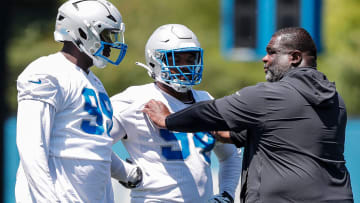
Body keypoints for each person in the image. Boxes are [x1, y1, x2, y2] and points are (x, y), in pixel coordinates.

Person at [143, 27, 354, 202]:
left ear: (295, 58)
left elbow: (211, 112)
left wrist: (167, 120)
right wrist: (215, 131)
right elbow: (262, 134)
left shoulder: (271, 95)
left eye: (272, 52)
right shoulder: (335, 99)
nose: (265, 58)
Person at [15, 0, 142, 202]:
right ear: (83, 31)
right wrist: (47, 199)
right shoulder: (46, 72)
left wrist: (127, 173)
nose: (111, 42)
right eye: (105, 35)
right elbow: (31, 147)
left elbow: (95, 146)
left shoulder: (93, 82)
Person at [110, 24, 242, 202]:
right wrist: (128, 173)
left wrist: (227, 192)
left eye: (190, 59)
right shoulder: (135, 100)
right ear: (155, 61)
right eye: (175, 59)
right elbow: (91, 142)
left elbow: (230, 154)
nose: (184, 66)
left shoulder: (205, 100)